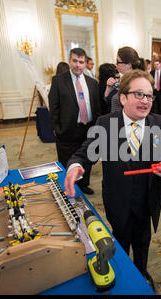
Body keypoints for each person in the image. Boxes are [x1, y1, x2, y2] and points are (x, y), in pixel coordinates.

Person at [64, 69, 161, 290]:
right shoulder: (106, 123)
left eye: (149, 96)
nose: (145, 101)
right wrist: (76, 167)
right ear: (123, 97)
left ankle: (142, 271)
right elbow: (84, 153)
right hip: (117, 200)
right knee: (120, 240)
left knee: (143, 241)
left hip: (147, 202)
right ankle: (123, 271)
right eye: (139, 94)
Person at [48, 48, 101, 195]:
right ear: (69, 61)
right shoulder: (58, 81)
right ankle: (70, 186)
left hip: (89, 128)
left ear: (85, 63)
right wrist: (57, 129)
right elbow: (54, 107)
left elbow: (96, 106)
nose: (78, 65)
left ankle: (84, 185)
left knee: (87, 157)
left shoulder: (92, 83)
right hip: (67, 130)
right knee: (68, 160)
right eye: (75, 61)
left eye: (81, 62)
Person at [105, 46, 143, 113]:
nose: (116, 64)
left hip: (122, 121)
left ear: (129, 64)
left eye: (118, 61)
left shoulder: (136, 82)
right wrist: (109, 88)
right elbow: (107, 99)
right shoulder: (122, 79)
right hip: (114, 119)